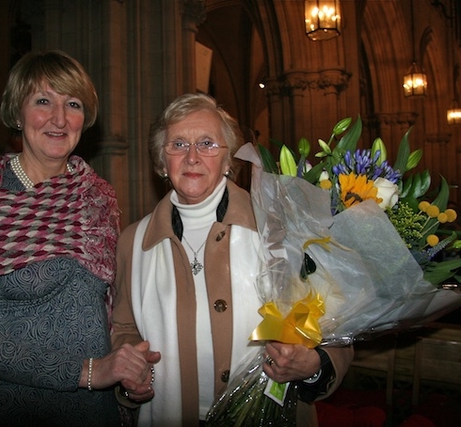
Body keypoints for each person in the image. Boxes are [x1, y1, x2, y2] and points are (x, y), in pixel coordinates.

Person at [0, 50, 159, 426]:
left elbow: (108, 307)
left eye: (72, 104)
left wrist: (126, 368)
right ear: (17, 112)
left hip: (93, 406)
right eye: (43, 101)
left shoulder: (98, 197)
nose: (59, 119)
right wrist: (89, 372)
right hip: (10, 406)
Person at [111, 93, 354, 425]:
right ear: (160, 162)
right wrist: (131, 373)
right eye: (178, 145)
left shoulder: (282, 228)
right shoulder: (133, 242)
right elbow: (125, 328)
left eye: (208, 143)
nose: (192, 157)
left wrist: (314, 367)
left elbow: (336, 327)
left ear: (228, 161)